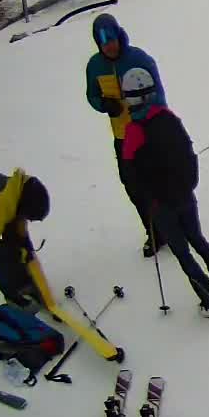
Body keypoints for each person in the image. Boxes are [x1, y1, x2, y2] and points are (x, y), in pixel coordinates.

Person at [118, 68, 209, 316]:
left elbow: (131, 172)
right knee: (199, 241)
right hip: (185, 195)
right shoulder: (169, 117)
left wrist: (146, 197)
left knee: (183, 253)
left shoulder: (134, 131)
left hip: (160, 205)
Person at [83, 13, 164, 255]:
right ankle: (154, 232)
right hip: (122, 137)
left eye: (112, 39)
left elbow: (159, 95)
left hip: (148, 133)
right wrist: (104, 104)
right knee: (133, 186)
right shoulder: (95, 66)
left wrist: (155, 124)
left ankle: (174, 226)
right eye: (103, 41)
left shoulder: (138, 59)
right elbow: (92, 95)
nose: (109, 45)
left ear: (119, 35)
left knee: (158, 182)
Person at [0, 169, 49, 309]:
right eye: (29, 217)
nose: (29, 221)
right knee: (2, 253)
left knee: (21, 246)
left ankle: (28, 284)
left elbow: (22, 238)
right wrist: (18, 250)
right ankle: (12, 296)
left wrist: (27, 254)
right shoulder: (1, 206)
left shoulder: (22, 191)